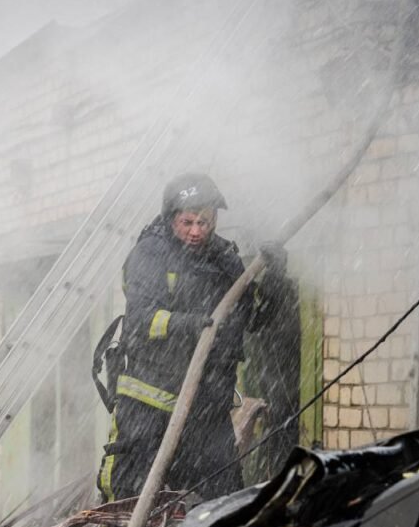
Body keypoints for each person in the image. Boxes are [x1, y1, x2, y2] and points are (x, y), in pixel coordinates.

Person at [97, 173, 285, 505]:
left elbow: (255, 318)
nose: (196, 231)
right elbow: (141, 320)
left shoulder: (224, 258)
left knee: (223, 501)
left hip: (207, 410)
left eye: (204, 222)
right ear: (172, 219)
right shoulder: (150, 255)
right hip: (148, 407)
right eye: (187, 222)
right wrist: (191, 325)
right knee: (128, 500)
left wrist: (276, 278)